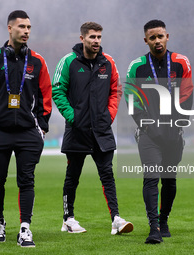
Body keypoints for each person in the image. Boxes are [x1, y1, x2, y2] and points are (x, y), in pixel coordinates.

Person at [0, 10, 52, 247]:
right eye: (21, 27)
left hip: (28, 133)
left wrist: (42, 128)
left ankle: (25, 228)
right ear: (10, 28)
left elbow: (45, 96)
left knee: (26, 181)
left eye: (29, 27)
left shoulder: (38, 61)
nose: (26, 31)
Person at [52, 22, 133, 235]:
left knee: (107, 174)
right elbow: (57, 91)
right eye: (92, 37)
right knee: (73, 176)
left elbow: (116, 90)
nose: (96, 41)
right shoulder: (68, 62)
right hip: (77, 130)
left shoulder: (108, 63)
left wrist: (109, 116)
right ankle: (68, 219)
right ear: (82, 39)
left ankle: (116, 219)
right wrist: (73, 117)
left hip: (102, 129)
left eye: (99, 37)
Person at [125, 20, 193, 244]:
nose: (157, 41)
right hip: (149, 135)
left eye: (160, 36)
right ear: (146, 40)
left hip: (173, 133)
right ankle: (153, 227)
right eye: (152, 38)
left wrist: (180, 122)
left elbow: (187, 92)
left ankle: (164, 220)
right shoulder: (137, 66)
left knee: (170, 181)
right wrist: (144, 123)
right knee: (151, 178)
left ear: (167, 37)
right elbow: (130, 97)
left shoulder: (181, 63)